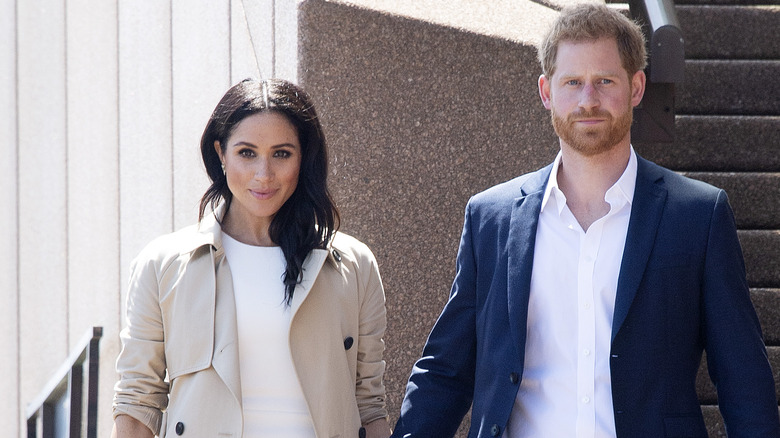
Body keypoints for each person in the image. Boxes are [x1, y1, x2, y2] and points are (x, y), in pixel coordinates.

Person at [391, 4, 780, 438]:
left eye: (605, 81)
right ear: (546, 91)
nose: (587, 100)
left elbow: (744, 381)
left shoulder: (697, 216)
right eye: (572, 82)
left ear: (636, 87)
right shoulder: (491, 217)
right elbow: (445, 372)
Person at [112, 78, 392, 438]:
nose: (264, 175)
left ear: (303, 158)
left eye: (281, 154)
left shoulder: (354, 265)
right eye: (247, 153)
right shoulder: (162, 264)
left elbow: (370, 406)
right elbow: (137, 406)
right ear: (220, 153)